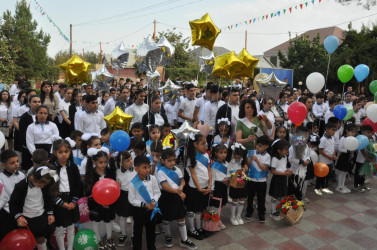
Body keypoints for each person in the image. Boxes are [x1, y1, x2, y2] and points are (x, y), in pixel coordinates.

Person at [9, 164, 58, 250]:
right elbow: (13, 204)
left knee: (40, 239)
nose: (42, 186)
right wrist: (18, 217)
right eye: (40, 184)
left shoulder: (45, 186)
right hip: (25, 219)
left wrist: (50, 213)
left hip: (40, 217)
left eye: (45, 185)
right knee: (26, 240)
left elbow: (48, 199)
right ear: (32, 178)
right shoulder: (21, 186)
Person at [157, 148, 197, 249]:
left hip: (177, 195)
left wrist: (181, 187)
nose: (172, 163)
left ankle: (184, 240)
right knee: (166, 217)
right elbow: (165, 186)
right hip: (166, 196)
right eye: (169, 160)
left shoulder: (177, 170)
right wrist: (179, 192)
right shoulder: (161, 171)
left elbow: (182, 181)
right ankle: (168, 236)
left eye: (174, 160)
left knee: (181, 216)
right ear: (162, 161)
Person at [50, 139, 83, 250]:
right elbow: (50, 189)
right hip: (58, 201)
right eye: (60, 152)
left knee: (70, 227)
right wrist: (61, 202)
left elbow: (78, 186)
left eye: (66, 151)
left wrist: (74, 202)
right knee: (59, 228)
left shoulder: (73, 167)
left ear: (70, 152)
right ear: (55, 153)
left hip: (71, 199)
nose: (64, 154)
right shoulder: (51, 169)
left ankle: (70, 248)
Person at [84, 147, 116, 249]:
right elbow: (88, 191)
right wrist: (100, 202)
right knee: (96, 221)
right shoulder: (91, 174)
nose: (103, 165)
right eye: (100, 162)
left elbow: (113, 187)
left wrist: (109, 201)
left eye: (105, 162)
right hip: (95, 203)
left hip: (109, 202)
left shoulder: (110, 172)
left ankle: (109, 238)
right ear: (94, 162)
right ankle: (98, 240)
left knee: (109, 220)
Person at [128, 155, 161, 250]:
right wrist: (144, 205)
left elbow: (157, 192)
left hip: (152, 209)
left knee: (151, 231)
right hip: (139, 211)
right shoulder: (133, 183)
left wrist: (154, 201)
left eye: (149, 166)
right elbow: (132, 199)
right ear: (136, 169)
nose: (148, 170)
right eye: (144, 167)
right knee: (137, 232)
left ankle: (151, 247)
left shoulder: (152, 179)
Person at [184, 133, 211, 240]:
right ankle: (191, 229)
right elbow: (193, 174)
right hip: (194, 187)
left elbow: (209, 169)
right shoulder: (191, 157)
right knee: (191, 209)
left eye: (206, 143)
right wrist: (199, 188)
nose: (206, 145)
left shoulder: (206, 155)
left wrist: (209, 185)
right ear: (195, 144)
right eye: (203, 143)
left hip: (205, 186)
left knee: (200, 208)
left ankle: (198, 227)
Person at [0, 150, 25, 241]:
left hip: (21, 210)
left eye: (17, 161)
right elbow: (2, 198)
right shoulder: (1, 178)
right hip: (6, 212)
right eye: (12, 162)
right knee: (7, 236)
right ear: (3, 164)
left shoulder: (22, 175)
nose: (16, 164)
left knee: (21, 235)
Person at [245, 135, 271, 223]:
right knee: (250, 196)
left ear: (266, 146)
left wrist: (256, 160)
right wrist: (248, 161)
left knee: (261, 198)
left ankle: (261, 212)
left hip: (261, 181)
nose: (257, 147)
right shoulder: (251, 152)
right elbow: (247, 164)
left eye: (260, 145)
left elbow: (264, 168)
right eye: (257, 145)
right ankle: (249, 210)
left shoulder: (267, 156)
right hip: (251, 179)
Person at [112, 151, 136, 247]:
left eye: (131, 158)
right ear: (120, 163)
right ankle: (123, 234)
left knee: (133, 216)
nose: (130, 161)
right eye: (127, 160)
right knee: (122, 216)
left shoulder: (136, 170)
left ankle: (134, 235)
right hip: (122, 196)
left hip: (134, 195)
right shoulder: (117, 172)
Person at [269, 139, 291, 221]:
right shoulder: (275, 158)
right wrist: (284, 173)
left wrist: (288, 170)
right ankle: (273, 212)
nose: (287, 151)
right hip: (277, 179)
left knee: (281, 194)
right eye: (285, 149)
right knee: (275, 195)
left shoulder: (285, 157)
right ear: (279, 150)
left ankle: (278, 210)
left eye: (287, 149)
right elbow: (273, 170)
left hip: (283, 178)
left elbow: (284, 167)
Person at [227, 143, 248, 226]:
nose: (237, 158)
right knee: (235, 199)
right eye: (236, 156)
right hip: (233, 184)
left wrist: (244, 171)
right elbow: (228, 174)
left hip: (242, 183)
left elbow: (245, 174)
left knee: (242, 199)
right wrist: (232, 175)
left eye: (239, 156)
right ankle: (232, 216)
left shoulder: (243, 162)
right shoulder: (229, 163)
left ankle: (239, 216)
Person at [209, 144, 228, 230]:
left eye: (225, 152)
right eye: (221, 152)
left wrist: (228, 179)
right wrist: (212, 190)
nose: (223, 154)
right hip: (216, 186)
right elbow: (211, 177)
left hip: (223, 185)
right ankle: (215, 220)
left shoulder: (227, 163)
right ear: (216, 153)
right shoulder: (214, 164)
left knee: (221, 204)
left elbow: (228, 174)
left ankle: (217, 218)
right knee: (215, 204)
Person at [19, 95, 41, 170]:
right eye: (34, 102)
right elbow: (22, 134)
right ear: (29, 103)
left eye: (39, 102)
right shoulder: (24, 117)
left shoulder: (45, 116)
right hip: (28, 149)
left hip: (42, 147)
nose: (37, 103)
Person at [315, 122, 337, 195]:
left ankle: (324, 187)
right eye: (332, 130)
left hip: (330, 160)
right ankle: (317, 188)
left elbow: (333, 148)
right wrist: (329, 157)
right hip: (323, 160)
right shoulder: (323, 139)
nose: (334, 132)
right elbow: (320, 150)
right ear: (327, 129)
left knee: (328, 174)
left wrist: (334, 155)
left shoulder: (332, 138)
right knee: (320, 175)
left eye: (335, 130)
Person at [335, 123, 357, 193]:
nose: (353, 134)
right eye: (352, 132)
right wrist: (348, 150)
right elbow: (339, 148)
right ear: (347, 131)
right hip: (343, 157)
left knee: (345, 172)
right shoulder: (343, 138)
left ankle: (343, 185)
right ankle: (339, 186)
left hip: (348, 157)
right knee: (341, 172)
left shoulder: (352, 139)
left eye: (354, 132)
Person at [354, 125, 374, 192]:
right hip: (360, 159)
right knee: (358, 173)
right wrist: (368, 158)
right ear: (362, 132)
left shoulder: (370, 139)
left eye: (371, 132)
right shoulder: (361, 139)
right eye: (368, 132)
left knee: (364, 173)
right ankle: (356, 185)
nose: (370, 134)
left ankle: (362, 184)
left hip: (366, 160)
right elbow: (362, 151)